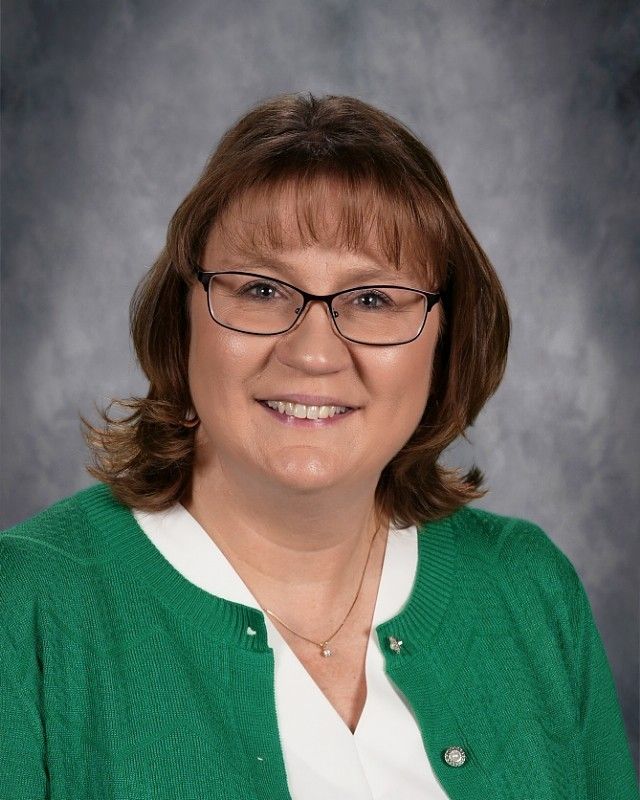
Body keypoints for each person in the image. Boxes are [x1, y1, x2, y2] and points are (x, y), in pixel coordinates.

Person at [1, 92, 637, 800]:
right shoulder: (28, 606)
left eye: (372, 299)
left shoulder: (527, 589)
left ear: (447, 338)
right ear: (183, 323)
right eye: (263, 290)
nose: (313, 353)